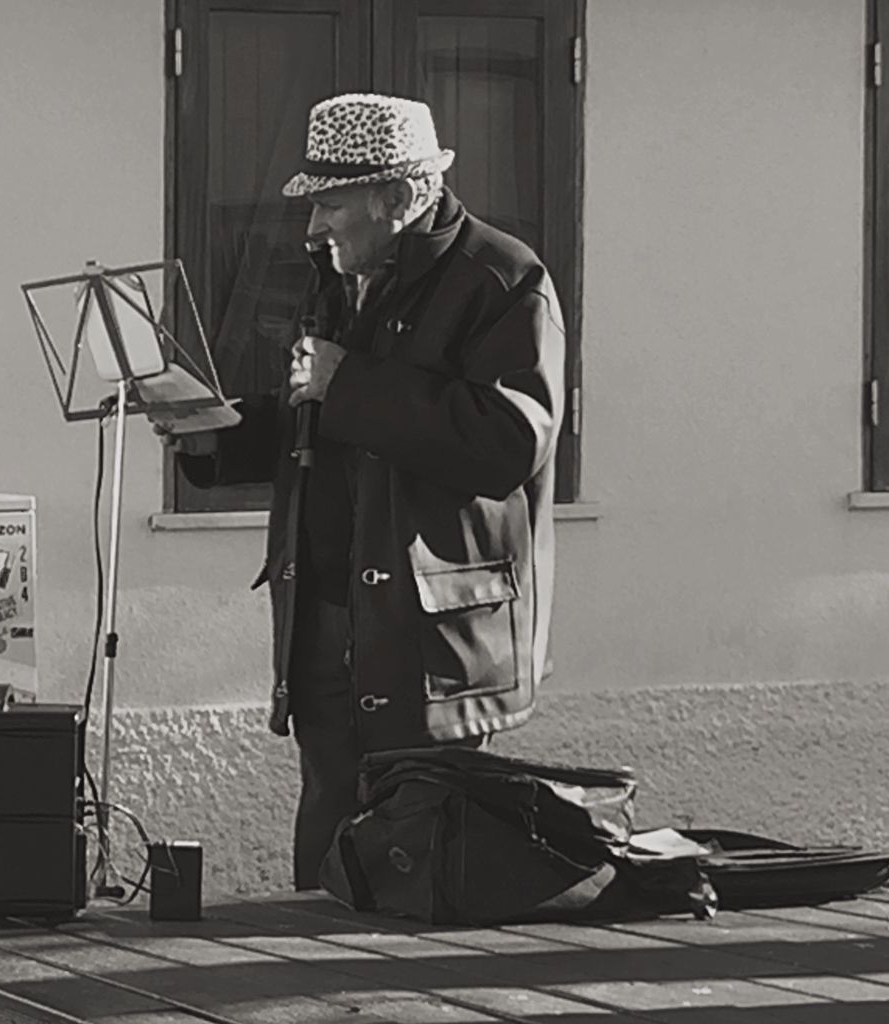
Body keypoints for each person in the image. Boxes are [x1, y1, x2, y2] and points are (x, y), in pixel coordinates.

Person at [170, 93, 566, 889]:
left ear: (402, 197)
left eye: (330, 202)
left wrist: (352, 384)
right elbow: (317, 421)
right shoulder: (339, 276)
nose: (313, 228)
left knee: (417, 854)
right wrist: (214, 430)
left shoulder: (504, 278)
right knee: (328, 827)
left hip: (432, 633)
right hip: (324, 609)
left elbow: (509, 441)